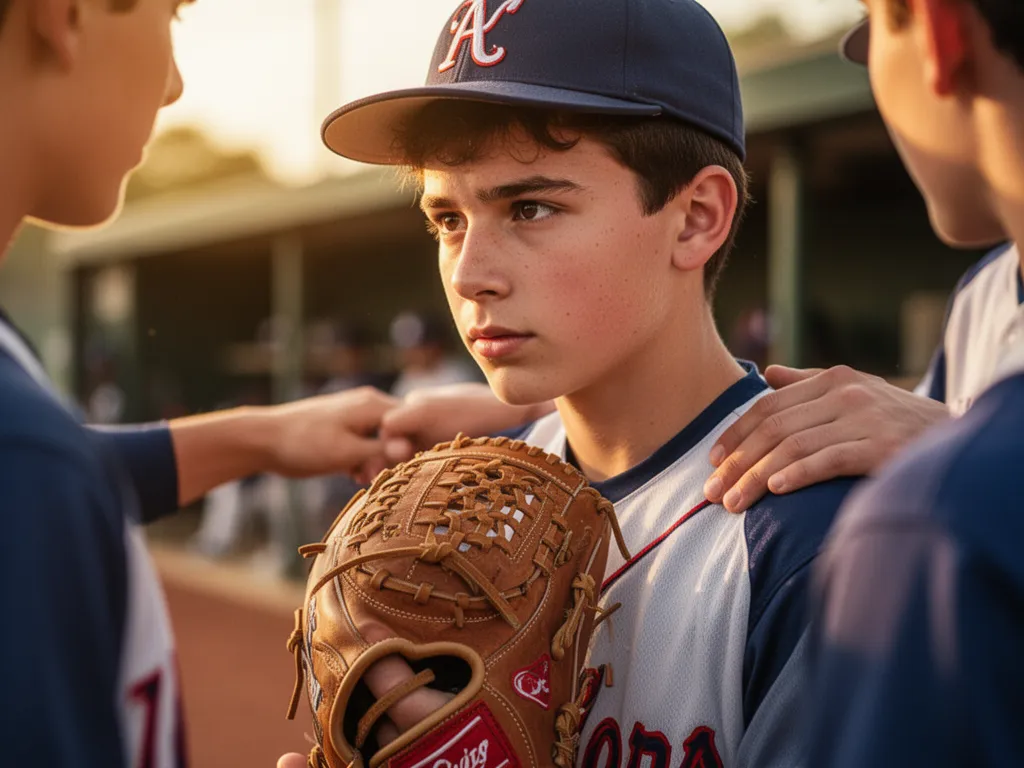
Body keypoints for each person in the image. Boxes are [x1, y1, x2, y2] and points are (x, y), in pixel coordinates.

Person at [284, 1, 858, 764]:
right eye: (447, 219)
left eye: (530, 207)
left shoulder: (817, 541)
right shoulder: (470, 509)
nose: (469, 274)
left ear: (695, 218)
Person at [0, 0, 399, 764]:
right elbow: (33, 472)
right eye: (173, 15)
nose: (176, 85)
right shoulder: (27, 464)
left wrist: (263, 434)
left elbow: (59, 469)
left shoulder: (32, 457)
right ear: (65, 13)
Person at [807, 1, 1024, 764]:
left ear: (936, 30)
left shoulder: (934, 524)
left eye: (872, 22)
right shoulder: (989, 294)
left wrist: (951, 458)